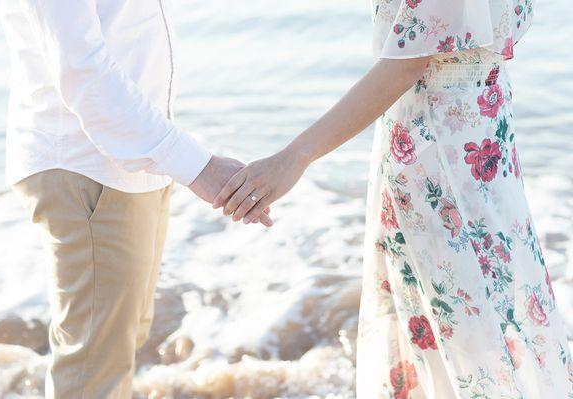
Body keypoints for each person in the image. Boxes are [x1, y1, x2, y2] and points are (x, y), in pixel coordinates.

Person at [213, 1, 573, 397]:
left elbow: (406, 62)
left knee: (466, 334)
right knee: (484, 315)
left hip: (440, 156)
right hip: (479, 137)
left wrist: (293, 158)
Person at [0, 0, 271, 397]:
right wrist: (198, 166)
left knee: (117, 344)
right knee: (93, 367)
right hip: (86, 164)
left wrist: (175, 157)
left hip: (134, 158)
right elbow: (81, 69)